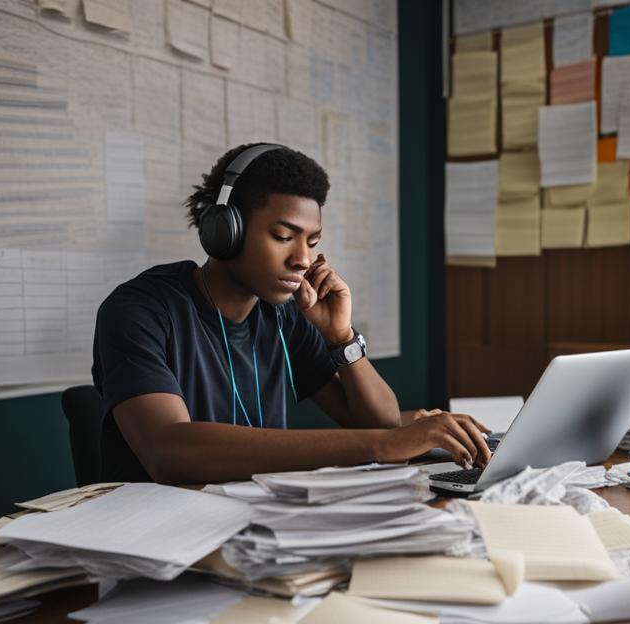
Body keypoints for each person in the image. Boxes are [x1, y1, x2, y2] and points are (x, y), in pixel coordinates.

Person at [92, 143, 490, 483]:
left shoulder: (282, 317)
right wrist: (386, 445)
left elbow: (379, 424)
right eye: (283, 237)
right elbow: (168, 449)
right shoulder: (140, 310)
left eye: (312, 241)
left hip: (259, 524)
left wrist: (341, 338)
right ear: (225, 231)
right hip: (160, 537)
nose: (302, 259)